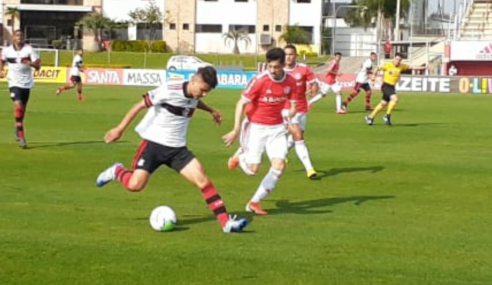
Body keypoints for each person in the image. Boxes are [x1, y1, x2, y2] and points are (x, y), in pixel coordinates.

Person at [95, 66, 248, 233]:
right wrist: (120, 129)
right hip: (153, 145)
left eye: (207, 92)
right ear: (193, 81)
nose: (204, 94)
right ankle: (117, 171)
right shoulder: (169, 89)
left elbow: (194, 101)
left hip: (177, 150)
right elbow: (140, 105)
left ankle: (226, 223)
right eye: (203, 90)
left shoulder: (194, 94)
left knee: (203, 180)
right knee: (134, 186)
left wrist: (211, 110)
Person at [222, 47, 298, 215]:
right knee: (252, 170)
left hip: (277, 128)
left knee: (279, 165)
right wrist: (235, 130)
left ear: (283, 65)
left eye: (276, 67)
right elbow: (240, 103)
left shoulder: (291, 82)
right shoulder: (259, 80)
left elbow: (293, 106)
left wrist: (289, 117)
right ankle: (240, 155)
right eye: (270, 66)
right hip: (256, 127)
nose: (272, 70)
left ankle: (254, 202)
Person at [0, 30, 41, 149]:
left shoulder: (29, 50)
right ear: (13, 37)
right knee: (18, 107)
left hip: (26, 84)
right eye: (17, 35)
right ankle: (22, 138)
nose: (19, 38)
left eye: (21, 36)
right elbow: (1, 60)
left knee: (22, 111)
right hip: (13, 82)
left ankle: (17, 126)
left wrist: (31, 63)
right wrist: (1, 69)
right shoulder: (7, 50)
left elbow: (38, 66)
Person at [282, 44, 318, 179]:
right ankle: (310, 169)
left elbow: (314, 82)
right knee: (299, 137)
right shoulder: (279, 71)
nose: (288, 57)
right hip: (287, 110)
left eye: (291, 54)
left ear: (296, 55)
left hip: (302, 109)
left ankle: (282, 153)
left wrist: (314, 89)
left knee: (295, 137)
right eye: (286, 54)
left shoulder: (303, 69)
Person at [365, 53, 431, 126]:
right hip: (386, 85)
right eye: (396, 59)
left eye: (399, 60)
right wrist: (374, 75)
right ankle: (387, 116)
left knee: (383, 103)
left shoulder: (401, 66)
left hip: (392, 87)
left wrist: (424, 67)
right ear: (393, 58)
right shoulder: (388, 65)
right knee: (395, 99)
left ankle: (370, 117)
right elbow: (377, 68)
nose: (398, 61)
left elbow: (412, 67)